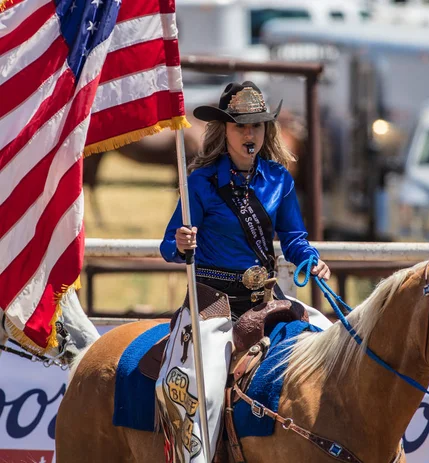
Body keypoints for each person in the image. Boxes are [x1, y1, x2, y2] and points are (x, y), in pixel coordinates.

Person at [156, 81, 332, 462]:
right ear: (225, 131)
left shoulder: (280, 180)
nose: (249, 133)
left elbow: (294, 237)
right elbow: (169, 245)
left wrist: (309, 258)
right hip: (212, 302)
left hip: (264, 300)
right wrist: (183, 244)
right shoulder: (200, 182)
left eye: (257, 125)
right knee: (198, 387)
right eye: (240, 126)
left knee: (330, 340)